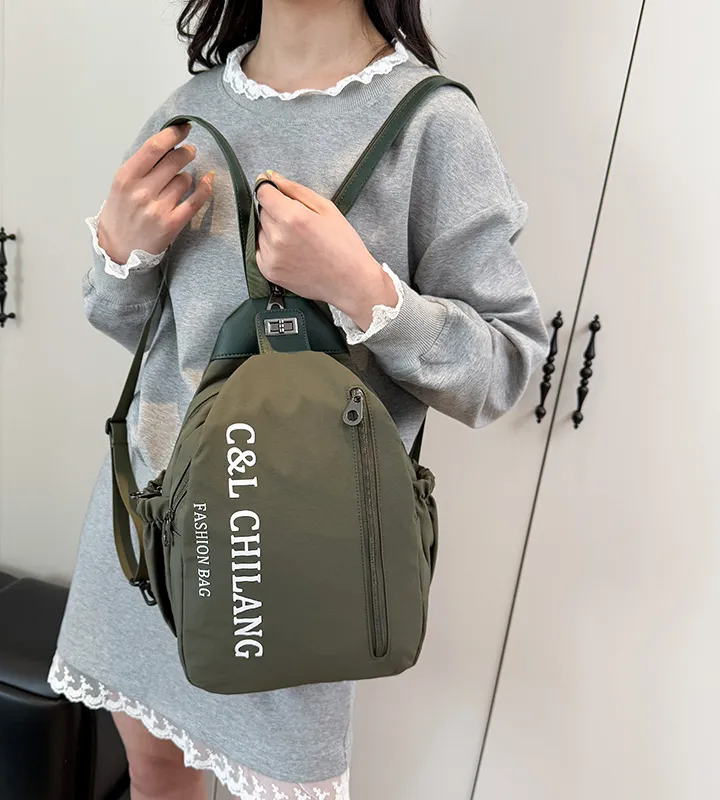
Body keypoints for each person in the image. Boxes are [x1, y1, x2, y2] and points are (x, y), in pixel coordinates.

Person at [47, 1, 549, 798]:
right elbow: (145, 334)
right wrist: (121, 251)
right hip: (153, 527)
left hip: (295, 558)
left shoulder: (432, 125)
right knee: (154, 772)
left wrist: (361, 287)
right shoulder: (192, 109)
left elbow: (505, 368)